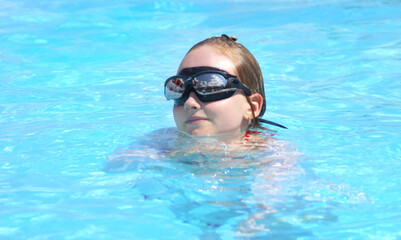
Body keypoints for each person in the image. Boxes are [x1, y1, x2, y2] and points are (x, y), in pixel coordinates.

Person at [164, 34, 287, 138]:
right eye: (179, 88)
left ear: (252, 108)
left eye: (210, 86)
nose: (189, 103)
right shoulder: (160, 147)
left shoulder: (272, 158)